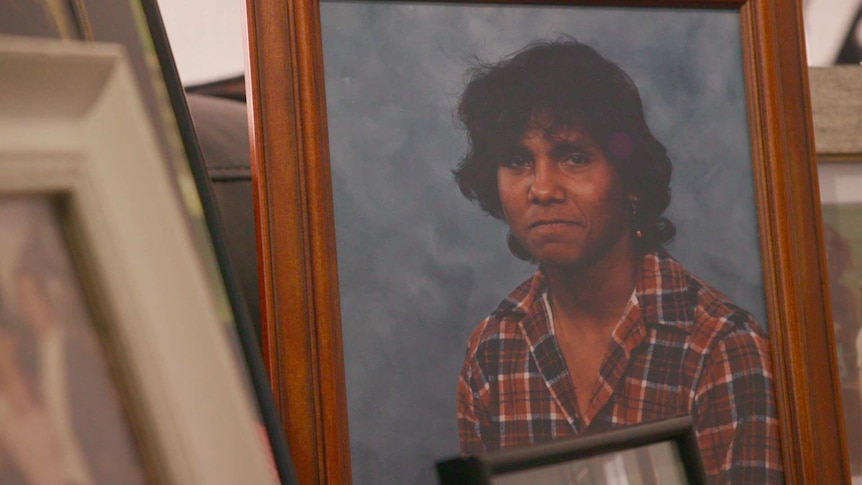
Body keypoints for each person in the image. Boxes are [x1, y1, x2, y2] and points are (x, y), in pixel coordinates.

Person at [453, 39, 782, 485]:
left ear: (630, 179)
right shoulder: (493, 350)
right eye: (518, 161)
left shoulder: (719, 347)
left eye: (574, 157)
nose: (542, 188)